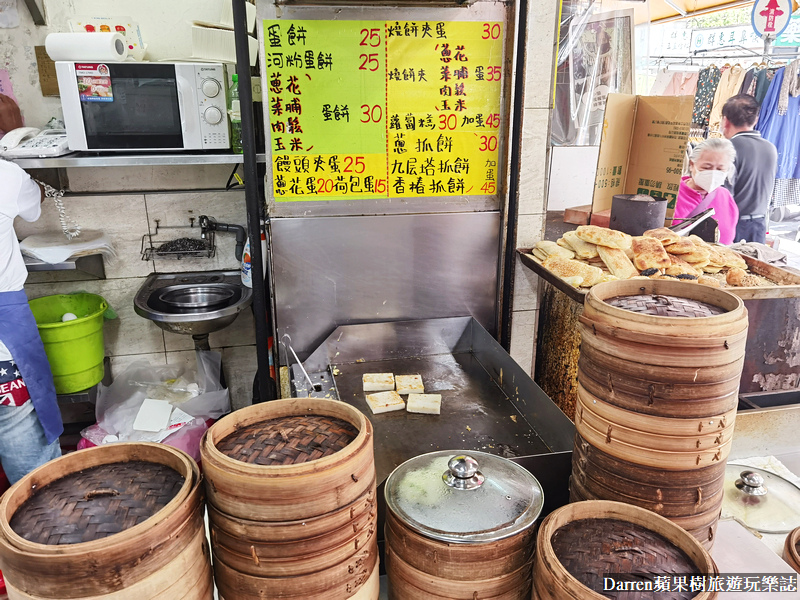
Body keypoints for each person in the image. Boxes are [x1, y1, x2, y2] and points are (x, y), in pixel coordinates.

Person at [0, 95, 63, 484]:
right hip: (4, 337)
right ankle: (44, 537)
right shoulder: (7, 176)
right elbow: (34, 208)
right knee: (32, 464)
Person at [721, 94, 778, 244]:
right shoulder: (770, 148)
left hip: (734, 225)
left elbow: (724, 196)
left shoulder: (728, 149)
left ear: (725, 121)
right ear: (756, 119)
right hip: (759, 225)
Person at [674, 138, 739, 245]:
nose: (713, 174)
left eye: (720, 169)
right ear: (691, 165)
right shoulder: (674, 193)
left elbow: (728, 239)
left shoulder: (725, 196)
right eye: (706, 167)